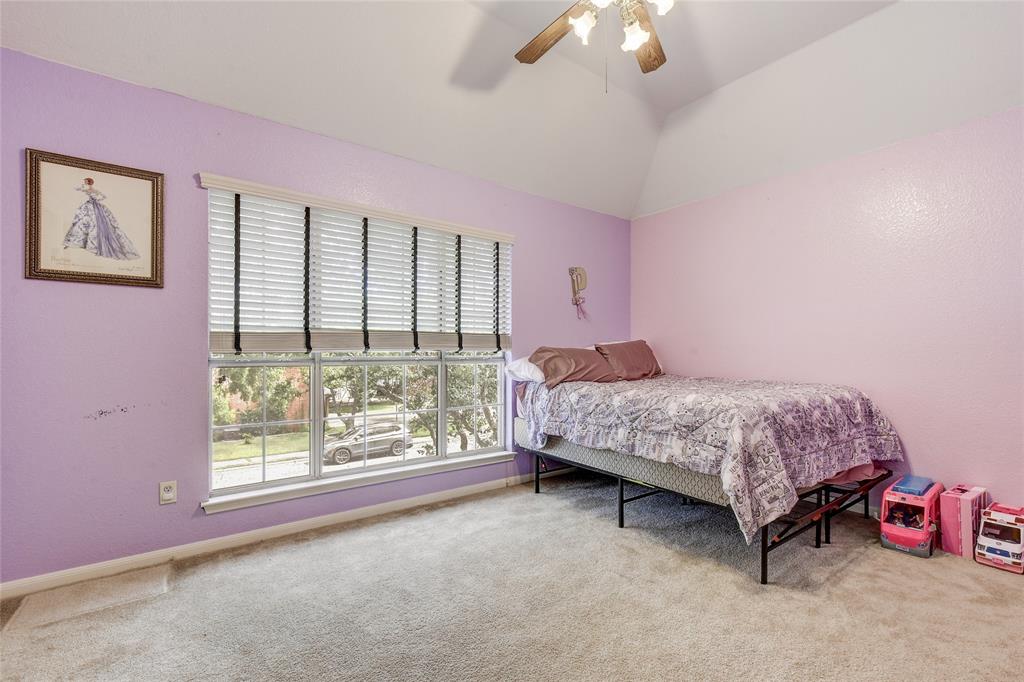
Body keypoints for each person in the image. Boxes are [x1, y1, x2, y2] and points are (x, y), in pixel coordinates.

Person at [62, 177, 140, 260]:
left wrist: (95, 200)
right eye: (85, 182)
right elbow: (102, 196)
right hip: (92, 206)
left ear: (88, 183)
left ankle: (90, 245)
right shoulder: (92, 190)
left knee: (92, 223)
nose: (84, 183)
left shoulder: (90, 190)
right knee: (84, 222)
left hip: (94, 207)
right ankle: (76, 243)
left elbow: (103, 196)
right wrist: (96, 199)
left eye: (85, 182)